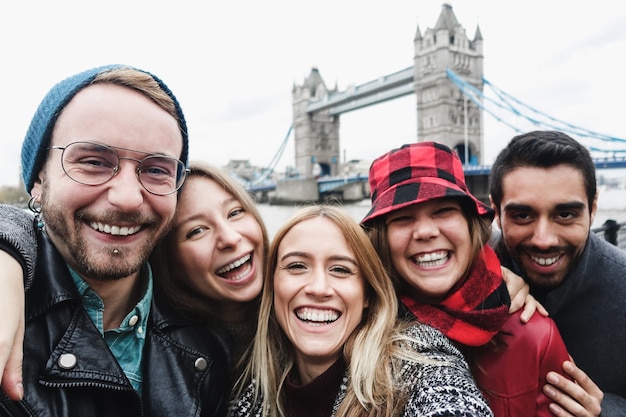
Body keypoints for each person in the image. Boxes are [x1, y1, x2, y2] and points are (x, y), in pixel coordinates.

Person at [0, 65, 229, 416]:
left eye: (156, 170)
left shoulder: (210, 351)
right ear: (38, 180)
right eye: (93, 162)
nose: (127, 197)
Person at [360, 142, 574, 417]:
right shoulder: (354, 329)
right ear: (380, 241)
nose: (425, 231)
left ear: (471, 225)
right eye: (402, 218)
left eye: (444, 211)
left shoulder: (535, 335)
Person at [229, 204, 494, 417]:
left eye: (341, 269)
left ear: (368, 294)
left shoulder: (415, 360)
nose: (319, 288)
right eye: (297, 266)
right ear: (272, 286)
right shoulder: (246, 394)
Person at [489, 130, 626, 414]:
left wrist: (605, 412)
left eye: (565, 215)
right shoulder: (467, 264)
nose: (544, 239)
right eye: (522, 215)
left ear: (593, 208)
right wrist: (490, 269)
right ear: (496, 212)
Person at [151, 161, 269, 365]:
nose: (230, 238)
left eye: (235, 212)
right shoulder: (164, 361)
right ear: (169, 263)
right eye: (197, 231)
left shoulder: (311, 317)